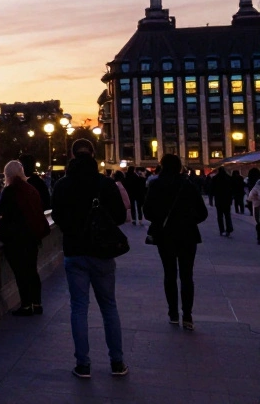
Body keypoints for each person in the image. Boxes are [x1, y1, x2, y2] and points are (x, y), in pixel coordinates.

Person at [51, 139, 128, 379]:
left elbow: (57, 216)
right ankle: (117, 362)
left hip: (75, 251)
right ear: (93, 154)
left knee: (79, 309)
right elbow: (119, 216)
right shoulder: (105, 184)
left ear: (72, 155)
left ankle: (83, 364)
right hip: (102, 253)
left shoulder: (63, 185)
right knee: (109, 307)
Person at [143, 154, 208, 329]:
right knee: (187, 275)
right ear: (179, 166)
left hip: (165, 236)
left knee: (169, 274)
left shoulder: (155, 185)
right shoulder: (187, 185)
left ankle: (173, 314)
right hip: (187, 235)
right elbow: (203, 213)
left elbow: (147, 212)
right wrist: (187, 220)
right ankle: (187, 316)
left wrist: (161, 220)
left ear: (162, 166)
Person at [0, 160, 50, 316]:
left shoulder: (10, 190)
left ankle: (26, 305)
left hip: (16, 239)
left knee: (21, 273)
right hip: (32, 237)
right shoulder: (31, 189)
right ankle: (37, 303)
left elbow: (0, 211)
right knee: (32, 271)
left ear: (8, 175)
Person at [210, 168, 236, 236]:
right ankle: (229, 229)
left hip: (219, 200)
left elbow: (212, 189)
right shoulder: (228, 178)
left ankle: (221, 230)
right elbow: (232, 189)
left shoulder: (215, 178)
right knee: (227, 215)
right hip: (227, 199)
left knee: (220, 216)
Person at [246, 173, 260, 245]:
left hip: (257, 205)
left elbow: (250, 196)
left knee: (258, 222)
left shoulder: (256, 186)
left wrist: (249, 200)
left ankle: (259, 238)